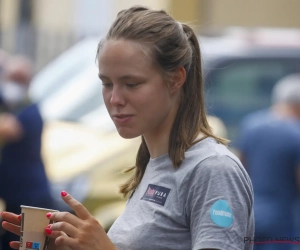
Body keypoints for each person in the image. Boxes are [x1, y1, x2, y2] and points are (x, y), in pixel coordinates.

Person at [1, 6, 254, 250]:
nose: (115, 99)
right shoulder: (155, 162)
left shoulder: (213, 169)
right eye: (107, 83)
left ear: (176, 79)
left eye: (131, 84)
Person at [236, 73, 300, 250]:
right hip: (282, 219)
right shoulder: (296, 134)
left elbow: (240, 168)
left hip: (251, 215)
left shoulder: (251, 124)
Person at [0, 55, 57, 250]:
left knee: (29, 246)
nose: (14, 84)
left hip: (32, 199)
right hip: (14, 195)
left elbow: (9, 129)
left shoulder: (30, 111)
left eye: (20, 79)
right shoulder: (12, 106)